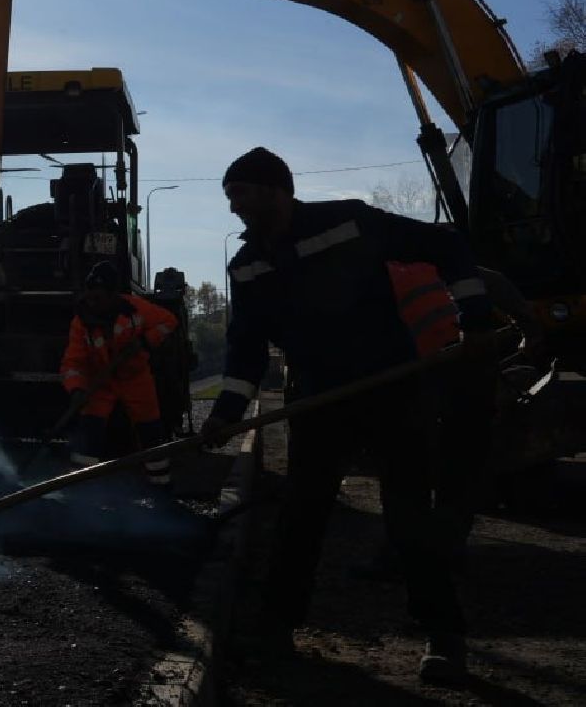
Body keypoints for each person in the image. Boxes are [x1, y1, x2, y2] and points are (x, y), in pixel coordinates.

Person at [198, 147, 496, 687]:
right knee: (301, 518)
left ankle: (445, 639)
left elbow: (446, 243)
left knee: (408, 518)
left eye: (240, 195)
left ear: (275, 189)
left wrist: (474, 315)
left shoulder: (350, 222)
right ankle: (276, 631)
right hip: (318, 402)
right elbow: (245, 351)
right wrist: (224, 412)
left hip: (391, 391)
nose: (234, 210)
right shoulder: (247, 265)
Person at [60, 261, 179, 486]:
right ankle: (80, 491)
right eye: (90, 296)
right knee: (89, 434)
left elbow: (169, 321)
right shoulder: (81, 323)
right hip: (100, 382)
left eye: (99, 297)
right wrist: (76, 390)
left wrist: (144, 342)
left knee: (151, 433)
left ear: (114, 295)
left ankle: (161, 487)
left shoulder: (136, 309)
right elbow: (72, 363)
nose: (93, 303)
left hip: (135, 379)